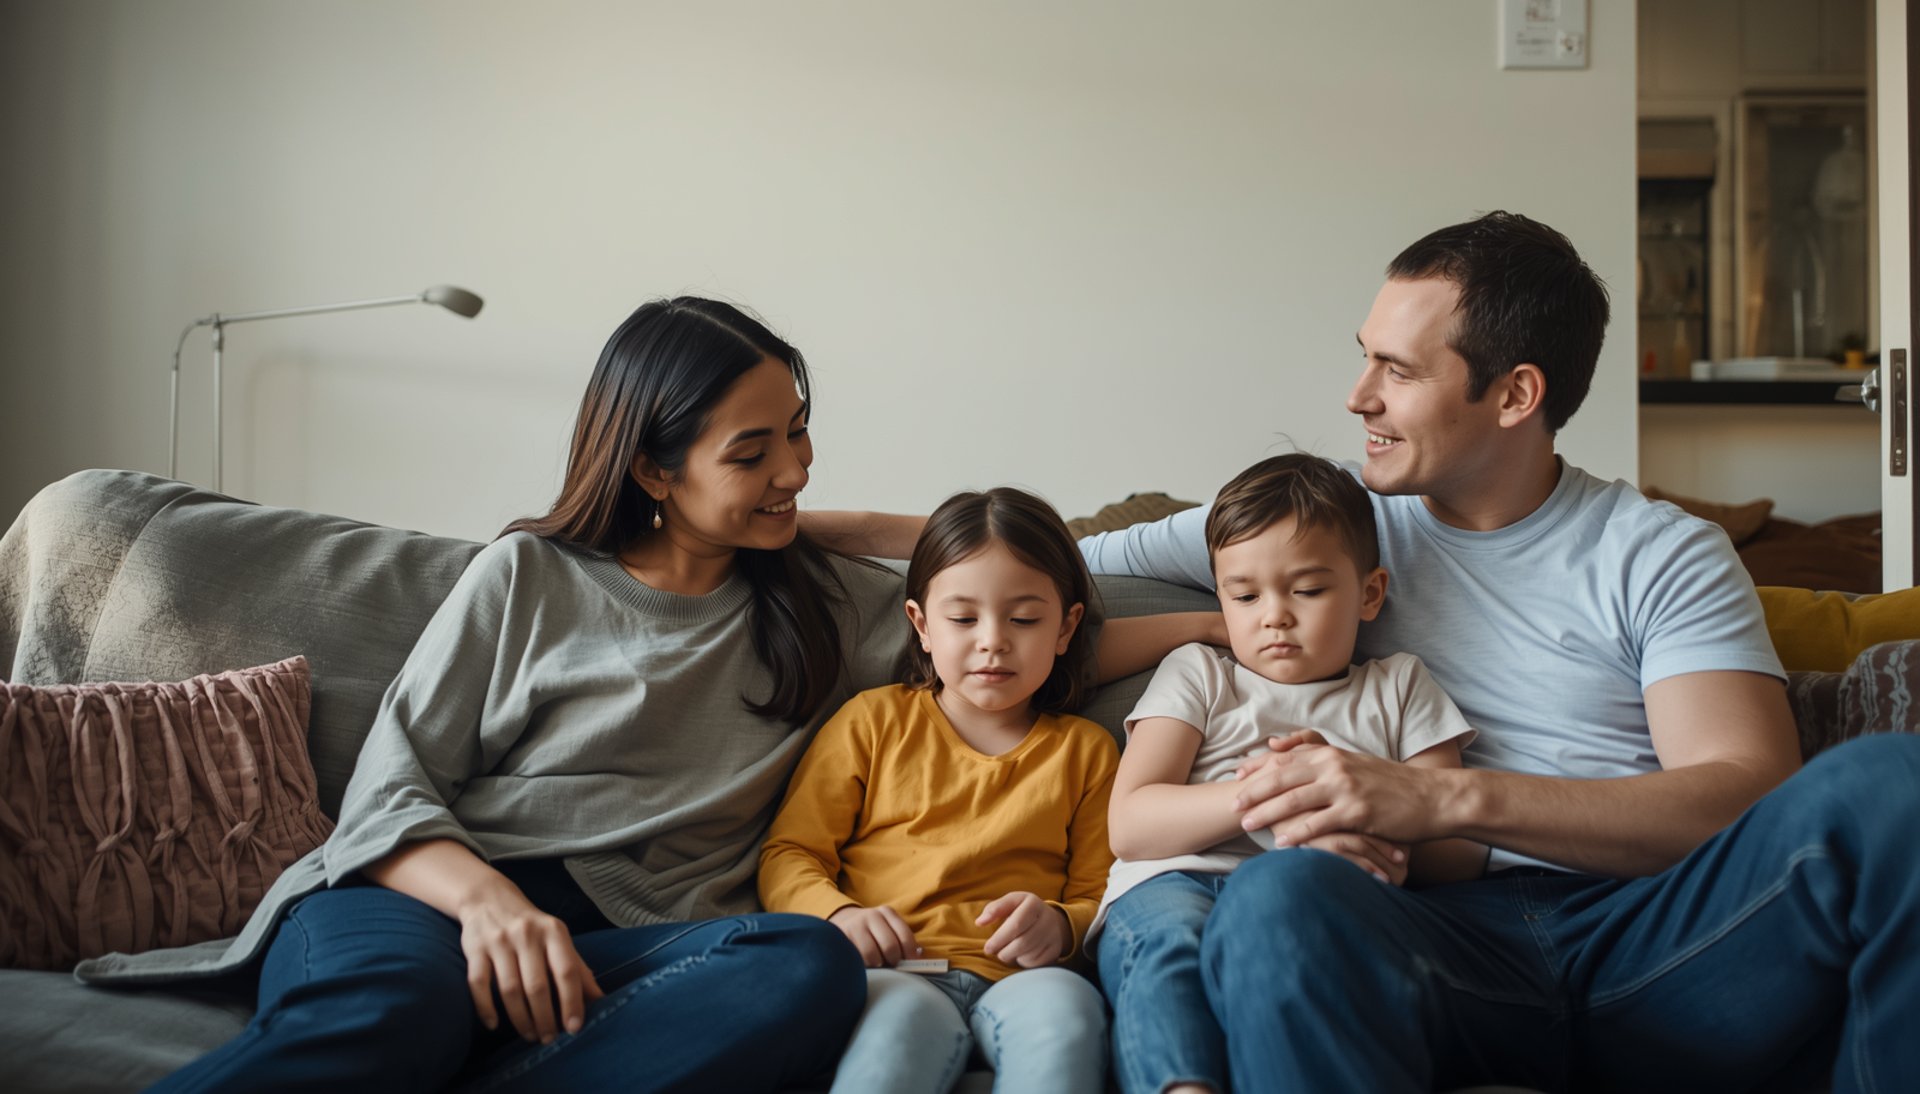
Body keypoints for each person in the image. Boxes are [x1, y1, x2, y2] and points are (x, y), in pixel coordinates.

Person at [810, 212, 1920, 1091]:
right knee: (1276, 896)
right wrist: (779, 523)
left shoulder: (1657, 551)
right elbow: (1033, 559)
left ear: (1515, 394)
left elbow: (1740, 796)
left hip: (1653, 937)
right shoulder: (1320, 531)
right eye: (1363, 360)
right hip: (1426, 940)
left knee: (1893, 787)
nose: (1358, 397)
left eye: (1396, 369)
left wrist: (1441, 800)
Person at [135, 297, 902, 1092]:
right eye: (752, 455)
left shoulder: (830, 605)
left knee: (807, 961)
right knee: (402, 1013)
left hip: (636, 944)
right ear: (653, 470)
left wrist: (857, 525)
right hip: (433, 897)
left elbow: (1037, 563)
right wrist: (490, 906)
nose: (796, 469)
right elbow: (391, 786)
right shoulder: (530, 574)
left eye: (799, 430)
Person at [760, 486, 1217, 1094]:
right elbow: (790, 854)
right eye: (963, 618)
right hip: (896, 969)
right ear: (921, 625)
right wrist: (839, 915)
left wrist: (1059, 926)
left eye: (1025, 619)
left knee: (1067, 1020)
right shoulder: (870, 723)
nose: (993, 640)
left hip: (1022, 977)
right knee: (896, 1034)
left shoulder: (1085, 751)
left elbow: (1100, 893)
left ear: (1066, 627)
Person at [1095, 452, 1480, 1094]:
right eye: (1245, 596)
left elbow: (1460, 852)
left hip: (1315, 904)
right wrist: (1264, 793)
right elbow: (1131, 825)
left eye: (1307, 590)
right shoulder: (1201, 671)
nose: (1274, 615)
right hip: (1177, 878)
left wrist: (1382, 838)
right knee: (1168, 951)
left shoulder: (1401, 684)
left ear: (1370, 593)